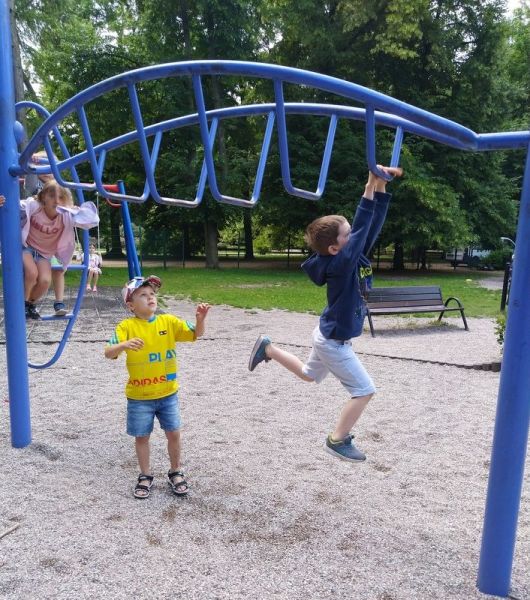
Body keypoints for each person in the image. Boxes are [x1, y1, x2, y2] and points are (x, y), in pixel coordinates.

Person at [248, 165, 403, 463]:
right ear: (334, 248)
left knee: (309, 375)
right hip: (333, 341)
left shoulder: (352, 256)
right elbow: (362, 225)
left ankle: (268, 348)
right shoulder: (341, 265)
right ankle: (337, 439)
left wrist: (381, 187)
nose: (354, 236)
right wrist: (369, 186)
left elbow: (371, 225)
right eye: (348, 235)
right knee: (364, 390)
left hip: (327, 333)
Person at [104, 275, 211, 499]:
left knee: (174, 433)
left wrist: (200, 320)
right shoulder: (126, 326)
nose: (150, 297)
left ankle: (176, 471)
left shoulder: (168, 322)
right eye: (143, 295)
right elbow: (108, 352)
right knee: (142, 437)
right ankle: (145, 475)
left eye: (152, 293)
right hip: (139, 397)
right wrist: (124, 345)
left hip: (168, 394)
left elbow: (196, 334)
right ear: (131, 305)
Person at [0, 180, 99, 319]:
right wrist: (3, 202)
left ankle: (29, 304)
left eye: (61, 197)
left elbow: (92, 220)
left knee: (45, 281)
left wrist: (78, 211)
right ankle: (22, 305)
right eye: (52, 196)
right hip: (26, 247)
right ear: (43, 197)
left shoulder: (66, 215)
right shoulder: (35, 207)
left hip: (44, 253)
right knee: (32, 273)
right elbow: (14, 205)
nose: (56, 201)